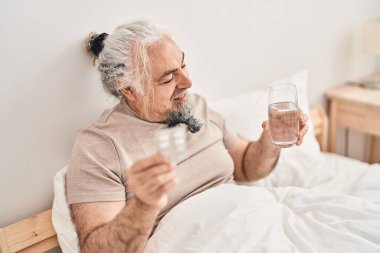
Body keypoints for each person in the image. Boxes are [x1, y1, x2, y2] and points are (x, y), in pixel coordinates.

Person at [66, 20, 309, 253]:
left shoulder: (195, 106)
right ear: (128, 88)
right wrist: (144, 205)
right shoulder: (100, 146)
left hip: (255, 227)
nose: (188, 82)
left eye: (183, 65)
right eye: (168, 78)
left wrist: (272, 139)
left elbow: (246, 167)